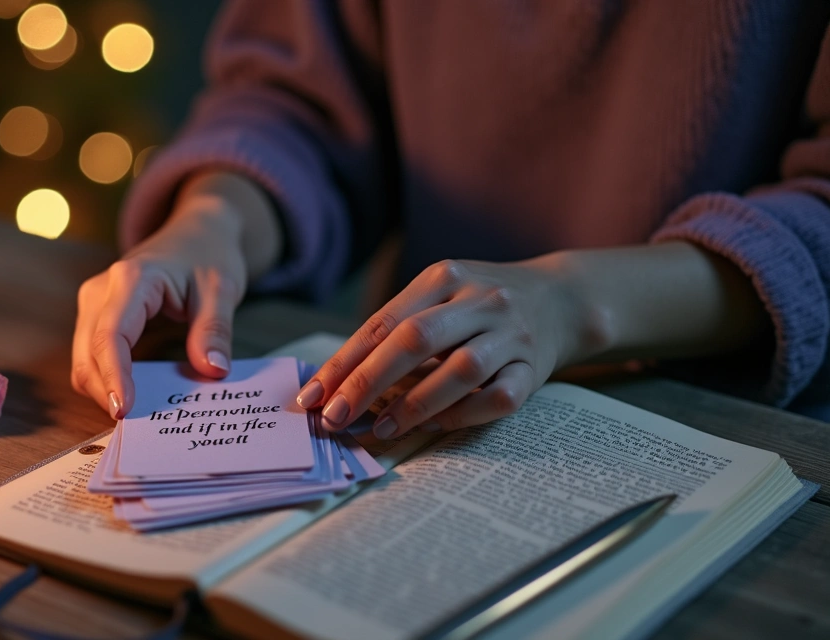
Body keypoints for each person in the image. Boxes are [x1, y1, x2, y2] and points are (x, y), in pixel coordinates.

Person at [72, 1, 830, 439]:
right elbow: (299, 100)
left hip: (740, 430)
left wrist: (570, 304)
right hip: (420, 401)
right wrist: (215, 218)